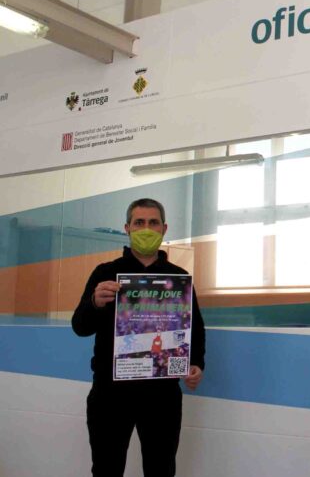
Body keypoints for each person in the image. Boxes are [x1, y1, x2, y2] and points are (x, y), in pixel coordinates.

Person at [72, 198, 206, 477]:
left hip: (162, 395)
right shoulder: (105, 273)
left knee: (161, 469)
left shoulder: (178, 278)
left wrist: (195, 364)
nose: (146, 228)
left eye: (153, 222)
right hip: (110, 393)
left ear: (164, 229)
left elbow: (195, 329)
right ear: (127, 228)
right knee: (106, 469)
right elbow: (80, 327)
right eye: (139, 222)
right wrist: (94, 303)